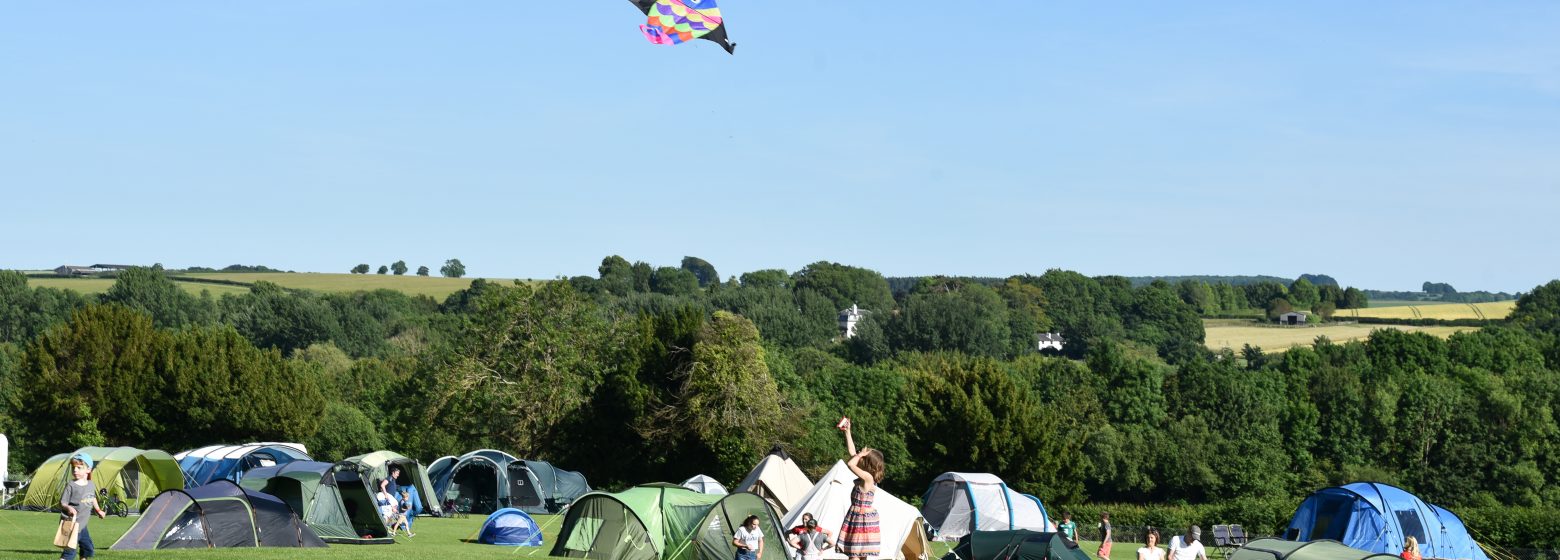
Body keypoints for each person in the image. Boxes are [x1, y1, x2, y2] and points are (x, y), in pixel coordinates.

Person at [836, 417, 884, 560]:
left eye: (863, 457)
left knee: (855, 555)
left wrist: (860, 454)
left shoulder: (868, 477)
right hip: (858, 516)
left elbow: (851, 464)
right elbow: (852, 454)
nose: (859, 456)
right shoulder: (866, 474)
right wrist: (847, 432)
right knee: (859, 554)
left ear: (867, 462)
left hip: (862, 518)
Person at [59, 454, 106, 560]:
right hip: (71, 524)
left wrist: (98, 510)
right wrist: (68, 508)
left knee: (87, 548)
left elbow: (92, 497)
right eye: (73, 467)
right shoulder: (71, 485)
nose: (75, 470)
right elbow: (62, 503)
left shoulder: (91, 484)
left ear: (88, 469)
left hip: (82, 525)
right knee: (70, 552)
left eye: (79, 467)